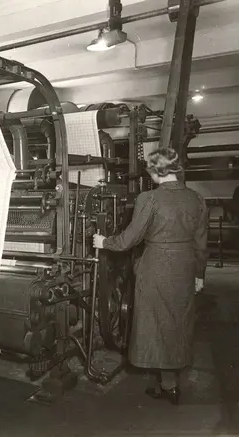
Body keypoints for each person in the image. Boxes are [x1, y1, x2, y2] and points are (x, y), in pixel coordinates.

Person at [93, 147, 209, 405]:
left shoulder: (150, 198)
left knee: (156, 325)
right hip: (184, 267)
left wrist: (104, 242)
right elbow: (202, 242)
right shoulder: (197, 199)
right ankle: (170, 383)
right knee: (177, 323)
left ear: (158, 170)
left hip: (156, 268)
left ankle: (168, 385)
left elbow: (130, 239)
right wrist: (199, 273)